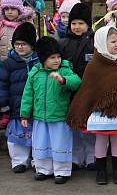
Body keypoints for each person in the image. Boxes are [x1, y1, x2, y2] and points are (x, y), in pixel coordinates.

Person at [67, 25, 117, 185]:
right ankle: (101, 170)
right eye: (112, 42)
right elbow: (87, 91)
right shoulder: (94, 64)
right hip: (100, 114)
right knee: (100, 141)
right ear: (101, 42)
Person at [20, 36, 82, 184]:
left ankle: (62, 171)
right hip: (40, 117)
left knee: (61, 143)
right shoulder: (35, 73)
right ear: (43, 59)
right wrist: (24, 114)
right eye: (52, 57)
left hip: (59, 117)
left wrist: (63, 80)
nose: (56, 60)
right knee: (41, 143)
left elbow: (77, 82)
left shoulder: (65, 69)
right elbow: (28, 94)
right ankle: (43, 169)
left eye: (58, 57)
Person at [57, 2, 96, 170]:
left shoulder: (94, 42)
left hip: (89, 90)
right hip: (69, 90)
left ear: (88, 25)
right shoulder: (64, 42)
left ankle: (92, 155)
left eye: (81, 23)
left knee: (89, 126)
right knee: (74, 126)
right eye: (74, 23)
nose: (77, 27)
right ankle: (75, 156)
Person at [0, 22, 38, 172]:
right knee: (17, 137)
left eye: (24, 44)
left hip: (36, 107)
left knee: (37, 135)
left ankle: (37, 160)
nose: (20, 47)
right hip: (16, 106)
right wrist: (3, 103)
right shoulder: (9, 63)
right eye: (17, 44)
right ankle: (19, 161)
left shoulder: (39, 62)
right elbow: (1, 84)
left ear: (32, 45)